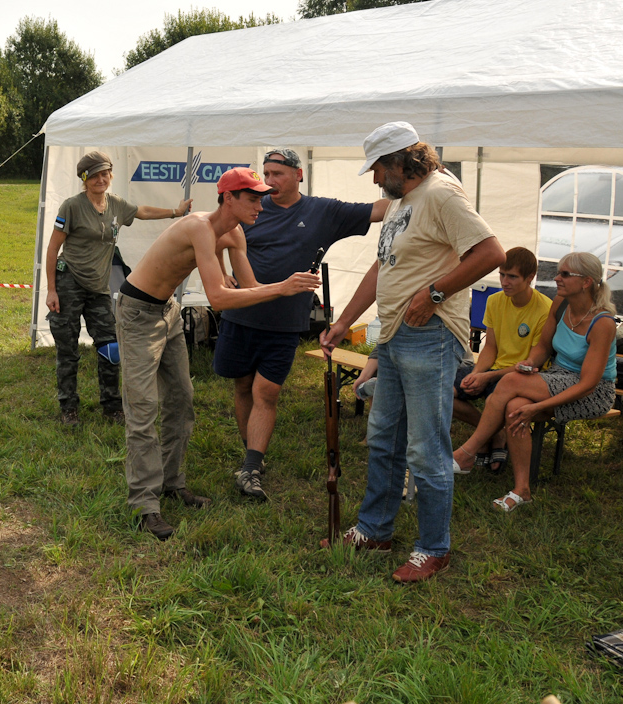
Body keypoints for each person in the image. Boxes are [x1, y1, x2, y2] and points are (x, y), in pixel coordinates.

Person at [320, 121, 504, 583]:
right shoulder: (402, 202)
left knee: (426, 450)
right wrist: (344, 321)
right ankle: (375, 530)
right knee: (384, 438)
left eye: (379, 168)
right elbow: (383, 267)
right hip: (395, 335)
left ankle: (433, 549)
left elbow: (491, 252)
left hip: (431, 335)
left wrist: (435, 294)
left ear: (402, 159)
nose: (376, 179)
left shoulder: (442, 194)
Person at [118, 167, 322, 540]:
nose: (261, 204)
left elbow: (250, 288)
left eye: (261, 198)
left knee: (181, 400)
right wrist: (283, 287)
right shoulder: (198, 226)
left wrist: (288, 290)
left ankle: (172, 483)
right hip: (137, 312)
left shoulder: (234, 233)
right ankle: (144, 505)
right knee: (143, 408)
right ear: (228, 198)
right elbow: (220, 300)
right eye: (253, 198)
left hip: (167, 311)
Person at [214, 147, 389, 500]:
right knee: (243, 385)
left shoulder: (323, 211)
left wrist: (425, 185)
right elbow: (213, 235)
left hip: (283, 322)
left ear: (299, 175)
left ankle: (250, 466)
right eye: (266, 173)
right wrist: (220, 271)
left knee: (267, 392)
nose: (270, 181)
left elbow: (379, 210)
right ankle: (253, 456)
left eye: (278, 173)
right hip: (240, 315)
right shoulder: (250, 207)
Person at [453, 252, 617, 512]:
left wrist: (537, 407)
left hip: (593, 392)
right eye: (558, 272)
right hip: (560, 376)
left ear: (586, 282)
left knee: (511, 387)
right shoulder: (561, 303)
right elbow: (543, 347)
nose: (557, 278)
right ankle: (522, 490)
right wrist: (530, 363)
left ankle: (466, 453)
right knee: (514, 405)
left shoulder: (603, 322)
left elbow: (588, 385)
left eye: (564, 274)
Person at [45, 151, 193, 427]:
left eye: (106, 173)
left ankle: (112, 406)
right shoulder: (71, 206)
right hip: (69, 283)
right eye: (95, 175)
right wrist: (51, 290)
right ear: (85, 179)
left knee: (111, 348)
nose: (101, 179)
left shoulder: (115, 205)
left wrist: (176, 212)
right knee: (68, 349)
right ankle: (68, 407)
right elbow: (53, 248)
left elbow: (142, 212)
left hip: (98, 287)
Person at [450, 247, 552, 476]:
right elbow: (491, 347)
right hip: (494, 370)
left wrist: (487, 376)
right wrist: (476, 373)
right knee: (443, 392)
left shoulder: (545, 309)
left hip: (524, 377)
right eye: (502, 275)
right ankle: (494, 434)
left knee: (496, 399)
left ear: (530, 278)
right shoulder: (495, 300)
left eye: (512, 277)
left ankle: (481, 442)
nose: (505, 281)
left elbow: (531, 364)